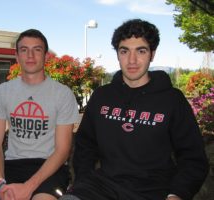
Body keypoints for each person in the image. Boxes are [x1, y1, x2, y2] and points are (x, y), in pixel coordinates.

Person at [59, 19, 209, 200]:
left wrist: (177, 194)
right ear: (117, 54)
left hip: (154, 192)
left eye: (141, 50)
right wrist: (82, 182)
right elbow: (85, 146)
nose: (132, 60)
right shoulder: (101, 96)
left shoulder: (172, 100)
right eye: (124, 51)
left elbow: (193, 158)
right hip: (99, 189)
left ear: (152, 54)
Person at [0, 29, 79, 200]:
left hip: (49, 169)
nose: (30, 55)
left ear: (46, 56)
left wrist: (28, 187)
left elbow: (62, 150)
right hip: (11, 166)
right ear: (16, 56)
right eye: (24, 50)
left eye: (37, 49)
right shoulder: (3, 91)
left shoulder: (62, 94)